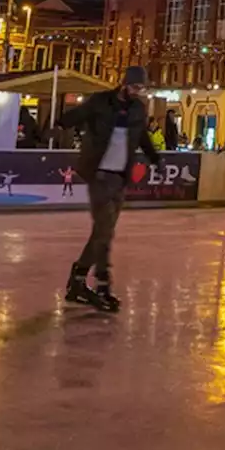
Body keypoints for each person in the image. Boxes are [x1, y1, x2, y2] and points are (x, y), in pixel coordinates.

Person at [57, 65, 163, 312]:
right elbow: (78, 114)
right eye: (136, 87)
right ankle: (103, 284)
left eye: (142, 88)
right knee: (104, 231)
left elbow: (142, 137)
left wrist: (155, 158)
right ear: (125, 84)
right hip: (99, 175)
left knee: (102, 233)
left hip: (119, 178)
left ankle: (78, 280)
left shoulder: (138, 109)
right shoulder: (101, 102)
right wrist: (58, 125)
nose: (138, 92)